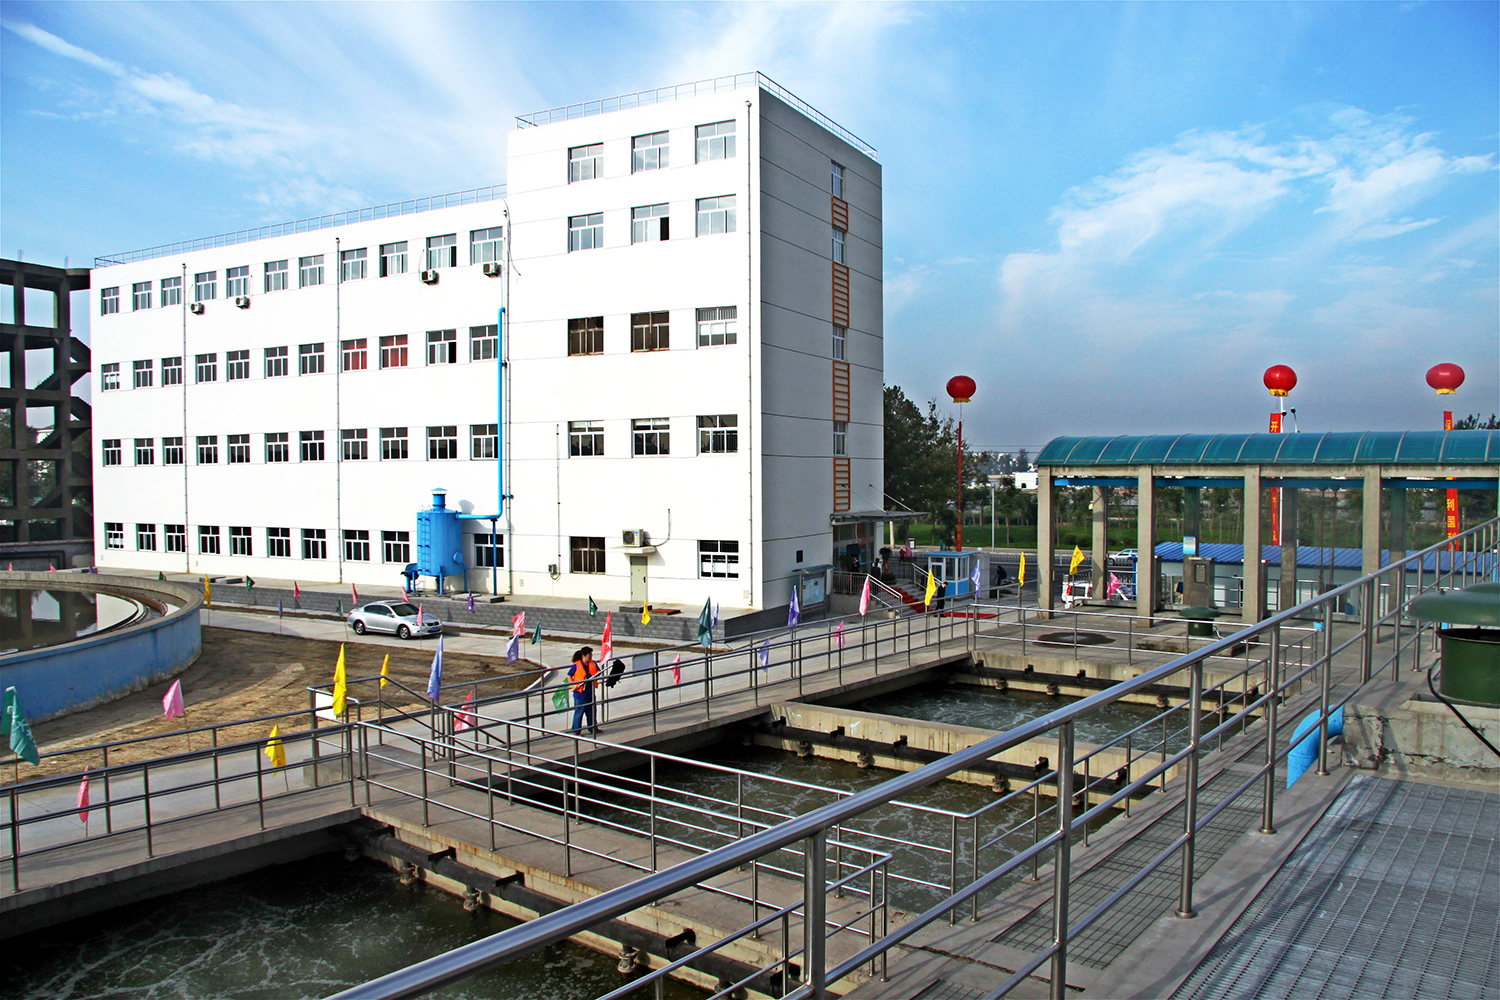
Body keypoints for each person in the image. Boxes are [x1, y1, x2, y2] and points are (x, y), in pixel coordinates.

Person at [568, 646, 601, 736]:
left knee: (591, 712)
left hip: (590, 692)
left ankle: (593, 728)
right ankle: (576, 730)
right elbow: (569, 675)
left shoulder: (593, 663)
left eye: (591, 654)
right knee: (579, 712)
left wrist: (596, 675)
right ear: (584, 656)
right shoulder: (576, 665)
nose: (591, 656)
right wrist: (573, 685)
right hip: (580, 694)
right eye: (589, 655)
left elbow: (598, 671)